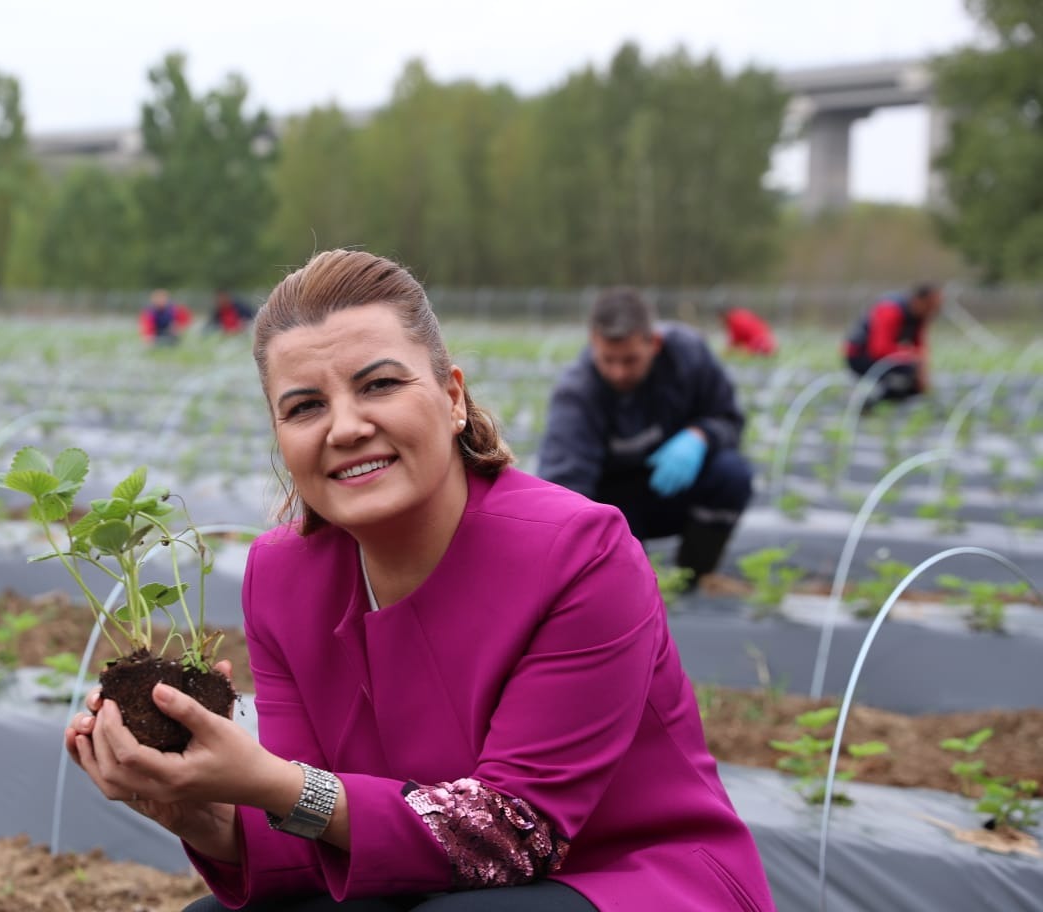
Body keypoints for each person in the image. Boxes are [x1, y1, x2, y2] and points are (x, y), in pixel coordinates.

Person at [65, 251, 776, 912]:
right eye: (305, 406)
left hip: (630, 880)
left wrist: (269, 780)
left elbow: (513, 834)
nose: (345, 427)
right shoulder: (283, 576)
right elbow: (319, 820)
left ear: (452, 396)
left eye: (379, 384)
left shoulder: (580, 554)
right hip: (436, 881)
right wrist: (202, 810)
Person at [537, 287, 752, 588]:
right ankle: (633, 584)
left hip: (674, 489)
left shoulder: (688, 356)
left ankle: (691, 579)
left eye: (630, 360)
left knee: (732, 474)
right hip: (614, 505)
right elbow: (567, 488)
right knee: (627, 585)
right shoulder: (577, 393)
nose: (618, 372)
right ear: (593, 344)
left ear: (656, 343)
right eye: (608, 360)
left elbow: (730, 418)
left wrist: (700, 435)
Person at [844, 283, 942, 406]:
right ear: (920, 300)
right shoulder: (890, 309)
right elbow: (879, 348)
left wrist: (922, 368)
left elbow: (919, 346)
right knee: (908, 373)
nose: (934, 311)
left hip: (882, 356)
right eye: (931, 306)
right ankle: (868, 402)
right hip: (860, 356)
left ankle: (884, 403)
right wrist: (911, 358)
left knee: (915, 382)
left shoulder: (919, 316)